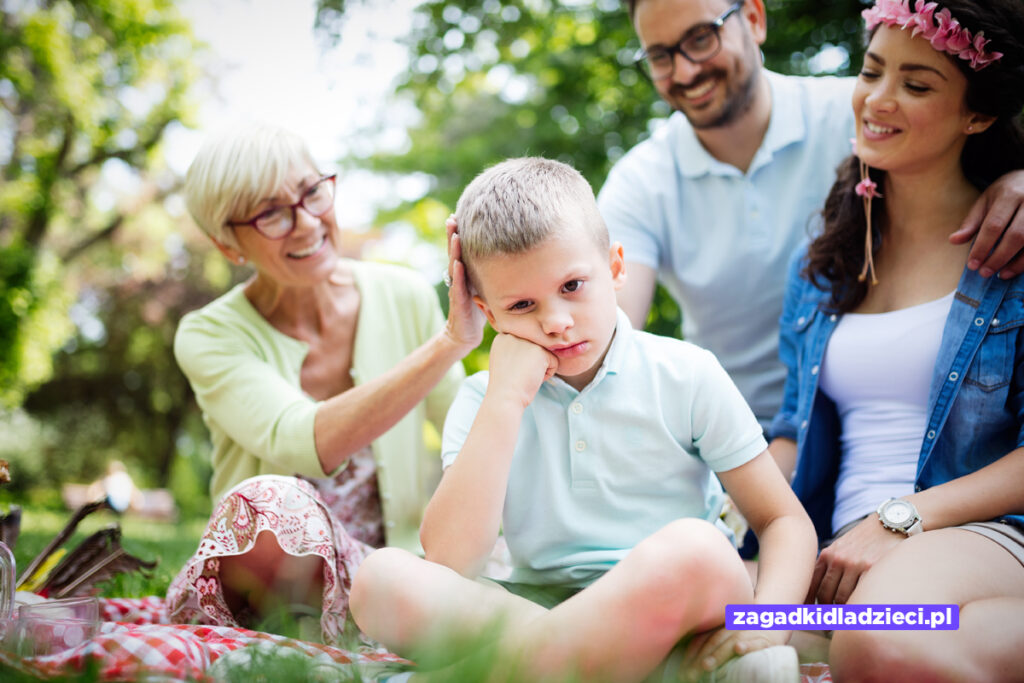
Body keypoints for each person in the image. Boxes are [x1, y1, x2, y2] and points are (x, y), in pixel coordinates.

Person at [349, 157, 816, 682]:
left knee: (699, 550)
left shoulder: (685, 372)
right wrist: (506, 398)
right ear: (488, 312)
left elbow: (783, 521)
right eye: (523, 304)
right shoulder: (484, 399)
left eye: (572, 286)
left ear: (616, 267)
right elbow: (452, 561)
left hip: (678, 612)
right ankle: (591, 664)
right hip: (534, 609)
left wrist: (770, 621)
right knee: (380, 579)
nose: (556, 321)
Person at [599, 0, 1024, 432]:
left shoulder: (866, 117)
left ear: (754, 19)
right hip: (725, 439)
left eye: (700, 39)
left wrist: (1020, 178)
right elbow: (605, 331)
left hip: (860, 425)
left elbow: (983, 115)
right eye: (659, 55)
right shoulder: (639, 182)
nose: (685, 71)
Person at [768, 1, 1024, 678]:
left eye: (916, 84)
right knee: (715, 616)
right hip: (837, 551)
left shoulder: (1015, 253)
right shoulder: (821, 266)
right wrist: (746, 518)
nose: (878, 100)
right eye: (872, 72)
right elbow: (795, 428)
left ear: (978, 114)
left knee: (879, 635)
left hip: (976, 537)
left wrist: (901, 518)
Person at [164, 122, 484, 643]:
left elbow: (466, 428)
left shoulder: (402, 294)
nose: (307, 223)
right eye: (270, 213)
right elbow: (304, 441)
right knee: (268, 502)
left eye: (312, 192)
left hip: (391, 572)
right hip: (267, 581)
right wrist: (450, 342)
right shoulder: (208, 334)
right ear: (228, 246)